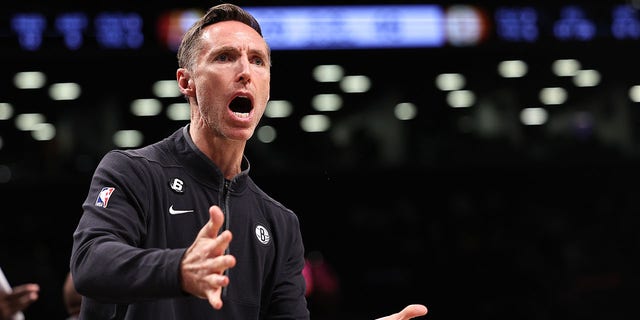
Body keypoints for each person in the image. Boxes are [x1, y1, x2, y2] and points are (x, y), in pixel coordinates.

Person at [69, 3, 428, 319]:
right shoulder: (131, 171)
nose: (245, 71)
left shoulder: (280, 223)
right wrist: (179, 269)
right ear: (186, 82)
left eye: (257, 61)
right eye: (224, 57)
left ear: (268, 86)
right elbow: (90, 264)